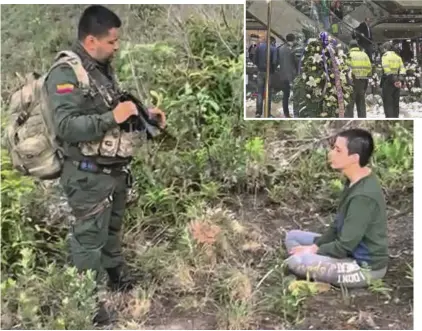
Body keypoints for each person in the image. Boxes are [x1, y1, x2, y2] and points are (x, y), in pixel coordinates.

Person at [45, 5, 166, 324]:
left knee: (111, 228)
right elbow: (66, 126)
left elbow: (111, 110)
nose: (117, 46)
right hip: (85, 173)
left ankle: (116, 275)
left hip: (112, 170)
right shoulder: (65, 73)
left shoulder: (100, 68)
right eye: (112, 42)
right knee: (88, 239)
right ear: (90, 40)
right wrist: (113, 116)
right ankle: (89, 300)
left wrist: (144, 117)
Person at [284, 129, 389, 288]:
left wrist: (312, 251)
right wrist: (316, 246)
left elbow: (344, 246)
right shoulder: (354, 180)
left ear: (354, 158)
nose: (331, 153)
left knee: (296, 260)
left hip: (365, 267)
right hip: (347, 252)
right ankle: (325, 267)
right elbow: (337, 226)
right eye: (333, 148)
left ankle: (324, 275)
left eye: (338, 150)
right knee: (292, 237)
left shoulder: (363, 197)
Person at [345, 40, 372, 118]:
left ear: (350, 47)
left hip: (351, 82)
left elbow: (346, 69)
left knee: (350, 105)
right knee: (361, 104)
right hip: (363, 81)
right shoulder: (364, 55)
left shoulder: (348, 55)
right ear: (357, 46)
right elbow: (369, 68)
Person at [253, 34, 278, 118]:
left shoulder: (259, 47)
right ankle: (267, 113)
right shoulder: (273, 49)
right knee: (268, 93)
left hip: (260, 72)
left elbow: (255, 59)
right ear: (272, 41)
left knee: (259, 93)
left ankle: (258, 113)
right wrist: (273, 70)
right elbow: (274, 62)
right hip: (269, 73)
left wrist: (259, 66)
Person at [380, 42, 406, 118]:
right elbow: (402, 69)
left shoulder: (385, 56)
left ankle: (389, 118)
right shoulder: (398, 57)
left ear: (385, 48)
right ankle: (396, 117)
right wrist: (399, 80)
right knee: (395, 102)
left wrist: (393, 80)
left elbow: (386, 69)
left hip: (388, 81)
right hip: (397, 81)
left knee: (388, 102)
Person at [277, 33, 298, 118]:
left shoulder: (280, 49)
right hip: (292, 75)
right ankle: (296, 113)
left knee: (285, 95)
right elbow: (296, 62)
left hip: (282, 75)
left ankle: (286, 113)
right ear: (293, 40)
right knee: (296, 95)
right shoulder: (293, 49)